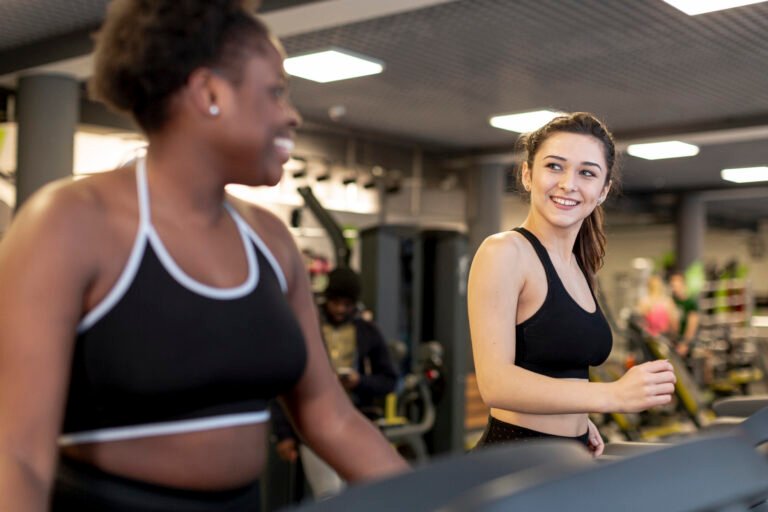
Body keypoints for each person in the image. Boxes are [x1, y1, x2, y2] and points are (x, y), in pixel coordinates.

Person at [0, 1, 407, 510]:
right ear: (210, 93)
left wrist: (441, 500)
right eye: (276, 92)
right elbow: (17, 455)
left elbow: (330, 416)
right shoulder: (71, 221)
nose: (292, 114)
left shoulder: (272, 241)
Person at [468, 112, 677, 457]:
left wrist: (578, 421)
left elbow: (559, 369)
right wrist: (612, 395)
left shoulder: (580, 266)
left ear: (603, 190)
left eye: (587, 173)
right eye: (554, 166)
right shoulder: (504, 251)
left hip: (572, 453)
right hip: (517, 457)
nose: (568, 183)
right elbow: (495, 383)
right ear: (527, 175)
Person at [272, 267, 398, 498]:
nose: (340, 309)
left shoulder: (368, 332)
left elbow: (389, 380)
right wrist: (284, 434)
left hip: (359, 422)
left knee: (365, 494)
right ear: (327, 299)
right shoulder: (308, 328)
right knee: (329, 495)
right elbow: (285, 382)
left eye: (347, 304)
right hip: (314, 425)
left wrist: (360, 382)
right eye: (336, 302)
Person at [668, 270, 700, 357]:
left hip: (685, 344)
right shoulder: (672, 301)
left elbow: (692, 326)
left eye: (676, 284)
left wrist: (685, 343)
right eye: (672, 285)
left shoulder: (690, 303)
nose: (674, 287)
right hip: (674, 342)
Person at [636, 274, 680, 338]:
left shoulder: (644, 301)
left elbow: (640, 322)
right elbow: (674, 325)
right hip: (662, 338)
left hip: (649, 338)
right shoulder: (667, 301)